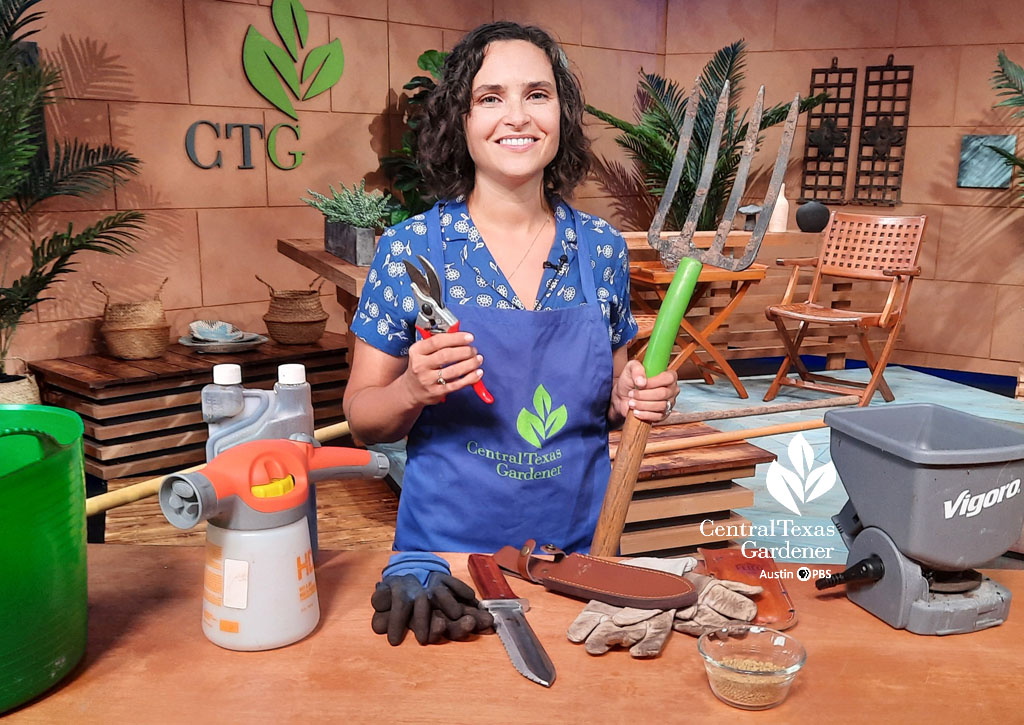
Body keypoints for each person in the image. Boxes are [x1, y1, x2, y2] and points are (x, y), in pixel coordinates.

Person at [344, 21, 679, 561]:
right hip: (447, 557)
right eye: (490, 97)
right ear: (462, 118)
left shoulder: (601, 249)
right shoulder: (411, 250)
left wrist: (629, 397)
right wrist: (411, 390)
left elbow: (611, 402)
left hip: (577, 551)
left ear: (561, 115)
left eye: (538, 95)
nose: (518, 116)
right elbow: (361, 418)